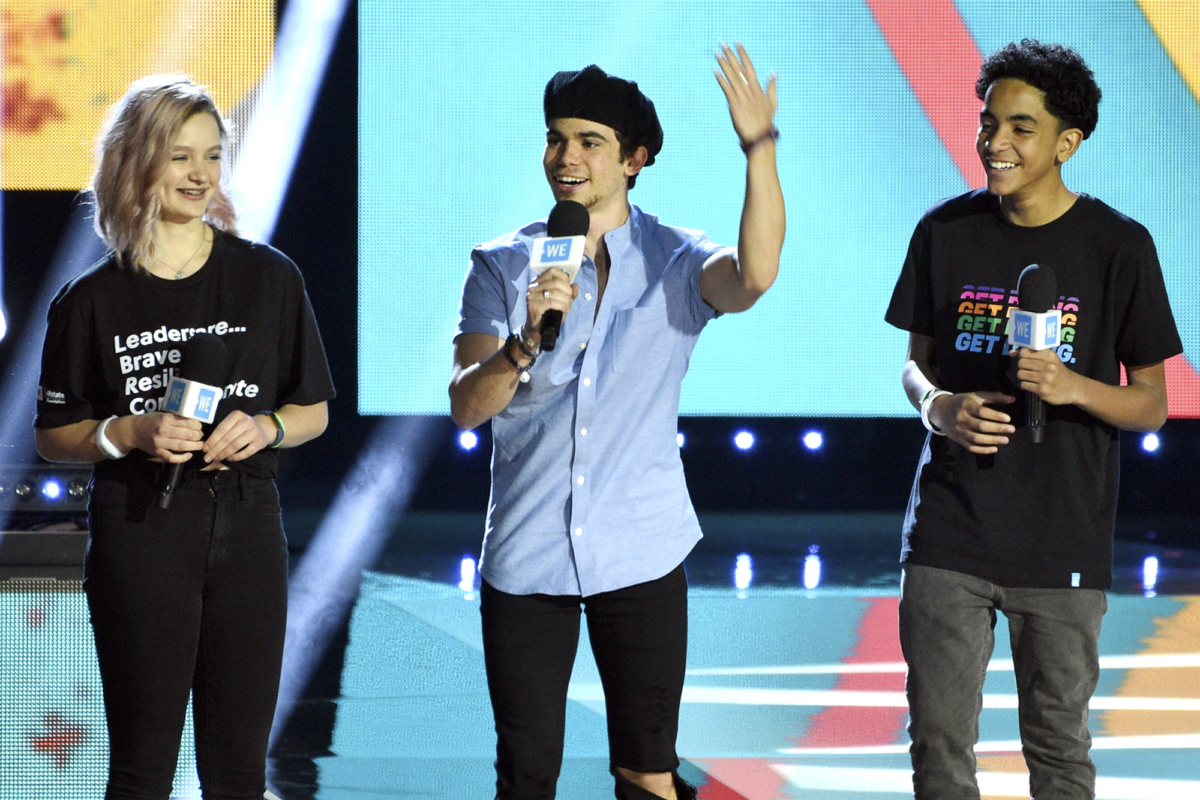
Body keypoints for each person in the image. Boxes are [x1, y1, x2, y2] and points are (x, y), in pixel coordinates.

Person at [449, 43, 784, 800]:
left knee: (646, 768)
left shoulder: (675, 259)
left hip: (642, 551)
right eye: (556, 138)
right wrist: (525, 341)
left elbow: (755, 275)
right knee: (527, 772)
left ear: (634, 159)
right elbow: (468, 405)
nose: (566, 157)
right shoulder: (504, 264)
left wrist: (758, 147)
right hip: (527, 554)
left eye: (589, 142)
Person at [885, 40, 1181, 799]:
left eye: (1019, 127)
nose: (995, 143)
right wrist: (940, 407)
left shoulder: (1120, 246)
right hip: (950, 533)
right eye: (988, 124)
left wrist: (1074, 387)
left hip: (1062, 541)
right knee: (939, 749)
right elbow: (914, 368)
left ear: (1066, 143)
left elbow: (1152, 403)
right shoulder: (944, 232)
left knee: (1057, 751)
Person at [34, 75, 335, 800]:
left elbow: (314, 410)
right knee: (143, 769)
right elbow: (55, 435)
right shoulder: (91, 300)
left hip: (248, 526)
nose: (202, 174)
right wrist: (128, 431)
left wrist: (264, 426)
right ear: (137, 163)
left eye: (212, 155)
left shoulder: (269, 278)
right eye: (180, 157)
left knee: (236, 770)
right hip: (141, 533)